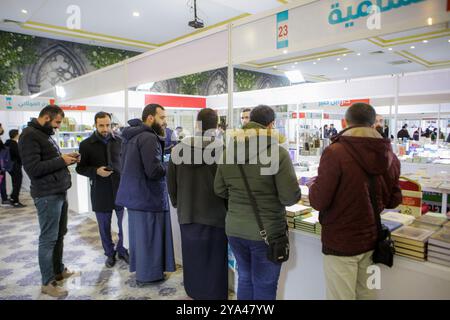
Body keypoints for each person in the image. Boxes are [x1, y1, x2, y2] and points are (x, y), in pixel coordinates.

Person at [308, 102, 402, 300]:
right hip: (372, 240)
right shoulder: (390, 156)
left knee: (340, 296)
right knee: (368, 294)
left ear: (345, 122)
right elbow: (394, 200)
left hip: (341, 242)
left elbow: (319, 201)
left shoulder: (335, 152)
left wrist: (313, 186)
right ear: (373, 123)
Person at [214, 105, 301, 300]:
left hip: (235, 229)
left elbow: (219, 189)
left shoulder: (228, 151)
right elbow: (289, 197)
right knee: (264, 283)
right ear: (271, 125)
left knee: (244, 278)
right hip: (267, 232)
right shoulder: (278, 153)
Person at [19, 105, 79, 297]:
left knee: (60, 234)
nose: (59, 126)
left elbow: (50, 160)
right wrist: (62, 161)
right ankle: (47, 282)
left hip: (58, 191)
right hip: (46, 196)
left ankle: (58, 271)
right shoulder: (29, 135)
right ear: (46, 117)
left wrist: (66, 159)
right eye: (57, 122)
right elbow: (34, 169)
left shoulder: (43, 133)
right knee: (48, 239)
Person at [167, 108, 228, 300]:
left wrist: (178, 203)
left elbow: (171, 183)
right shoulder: (221, 150)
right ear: (216, 127)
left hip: (188, 213)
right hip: (216, 214)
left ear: (197, 124)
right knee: (215, 261)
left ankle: (194, 293)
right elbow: (228, 185)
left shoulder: (178, 150)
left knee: (193, 259)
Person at [116, 104, 175, 286]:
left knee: (141, 240)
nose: (165, 122)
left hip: (135, 195)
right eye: (162, 117)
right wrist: (170, 165)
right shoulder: (149, 137)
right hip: (147, 196)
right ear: (150, 118)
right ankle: (149, 276)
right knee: (150, 238)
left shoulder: (130, 135)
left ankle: (145, 273)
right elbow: (153, 171)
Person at [76, 112, 129, 268]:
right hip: (100, 191)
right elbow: (80, 168)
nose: (105, 128)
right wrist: (96, 171)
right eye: (101, 125)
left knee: (123, 225)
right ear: (95, 125)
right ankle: (109, 254)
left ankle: (122, 250)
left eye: (108, 125)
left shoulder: (121, 141)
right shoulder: (86, 144)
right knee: (104, 227)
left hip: (120, 190)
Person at [5, 129, 25, 208]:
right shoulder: (14, 144)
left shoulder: (7, 143)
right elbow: (18, 155)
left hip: (10, 166)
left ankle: (13, 198)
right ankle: (15, 201)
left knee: (15, 183)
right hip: (15, 166)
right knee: (18, 183)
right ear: (16, 135)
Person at [0, 123, 11, 207]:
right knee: (2, 183)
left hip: (2, 166)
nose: (2, 129)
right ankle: (4, 199)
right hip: (1, 166)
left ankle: (4, 199)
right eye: (1, 127)